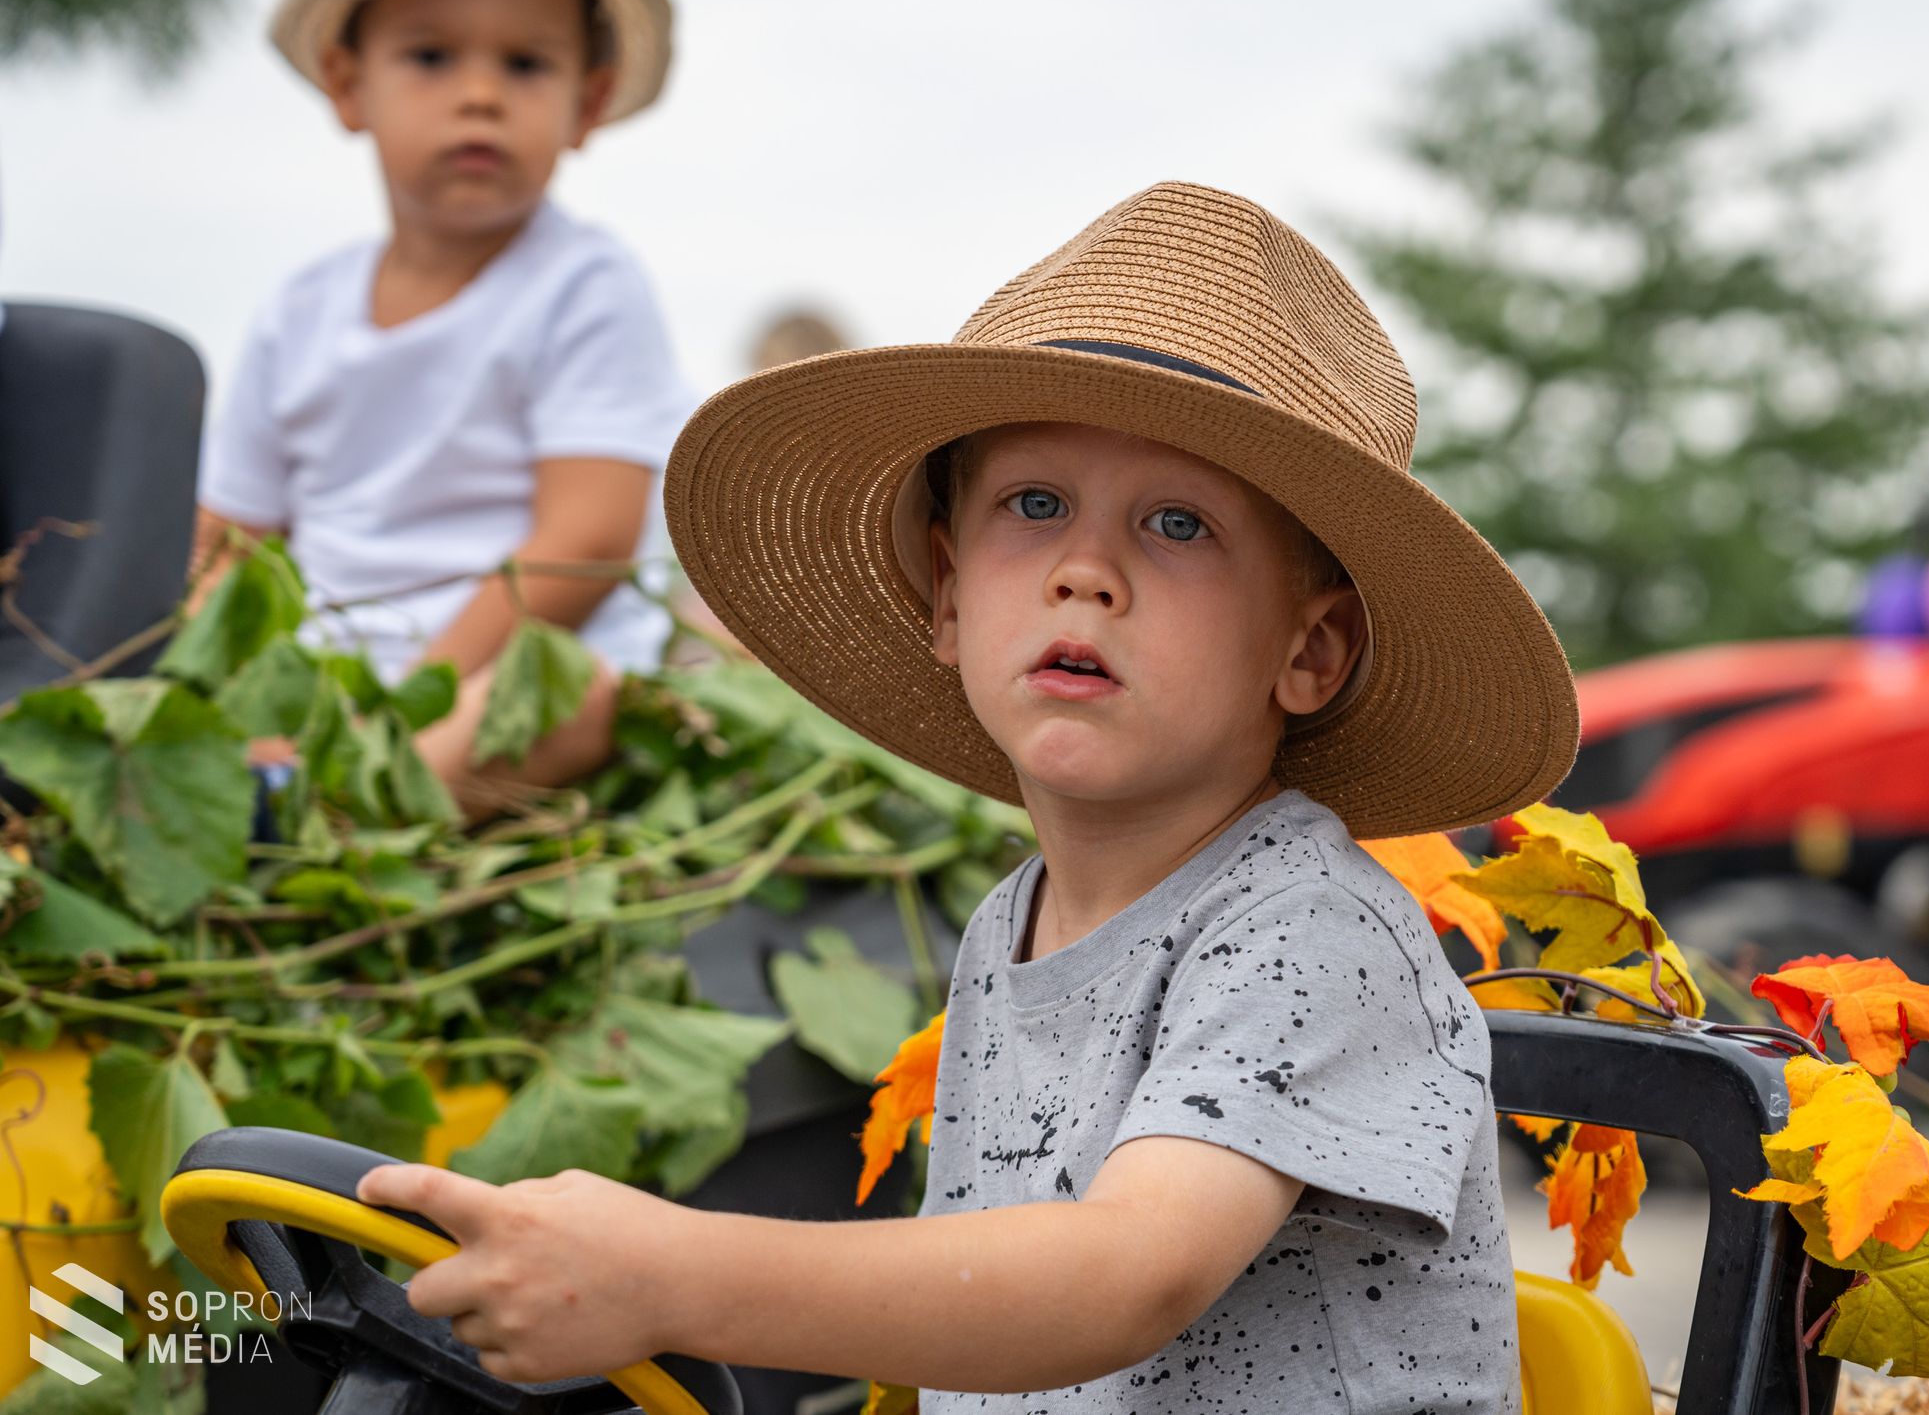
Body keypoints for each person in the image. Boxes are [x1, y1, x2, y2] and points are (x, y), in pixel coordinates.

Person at [358, 181, 1581, 1412]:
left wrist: (669, 1273)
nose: (1084, 573)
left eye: (1177, 523)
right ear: (946, 598)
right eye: (1034, 506)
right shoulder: (1010, 924)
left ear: (1311, 651)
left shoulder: (1314, 928)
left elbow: (1123, 1277)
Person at [190, 0, 691, 815]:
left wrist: (407, 699)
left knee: (579, 703)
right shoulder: (299, 311)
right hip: (321, 675)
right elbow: (230, 544)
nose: (479, 95)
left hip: (499, 663)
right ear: (350, 85)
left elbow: (585, 544)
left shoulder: (584, 285)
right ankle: (295, 784)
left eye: (526, 65)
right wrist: (245, 690)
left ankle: (327, 809)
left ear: (589, 102)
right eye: (430, 55)